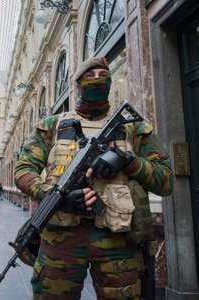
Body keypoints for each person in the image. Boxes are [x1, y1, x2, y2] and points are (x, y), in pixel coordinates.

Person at [14, 57, 174, 299]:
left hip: (118, 241)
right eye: (91, 74)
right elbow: (23, 171)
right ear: (77, 84)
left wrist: (128, 161)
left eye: (104, 74)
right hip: (61, 240)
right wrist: (56, 196)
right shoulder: (52, 125)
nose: (98, 78)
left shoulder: (134, 127)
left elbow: (165, 181)